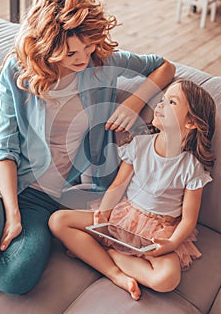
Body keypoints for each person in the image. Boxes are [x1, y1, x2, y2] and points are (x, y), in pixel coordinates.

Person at [0, 0, 175, 295]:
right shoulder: (17, 71)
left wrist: (134, 102)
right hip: (5, 181)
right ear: (46, 46)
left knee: (16, 279)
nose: (83, 59)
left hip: (49, 198)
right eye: (71, 52)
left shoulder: (103, 65)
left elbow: (163, 66)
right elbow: (5, 149)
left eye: (88, 47)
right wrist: (12, 216)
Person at [49, 80, 216, 301]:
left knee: (166, 280)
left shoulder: (191, 167)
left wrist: (173, 243)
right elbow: (118, 186)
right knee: (58, 221)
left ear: (191, 122)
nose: (160, 104)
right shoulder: (139, 145)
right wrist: (105, 211)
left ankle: (107, 255)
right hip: (123, 218)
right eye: (162, 99)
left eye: (171, 102)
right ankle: (115, 273)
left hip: (160, 231)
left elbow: (188, 220)